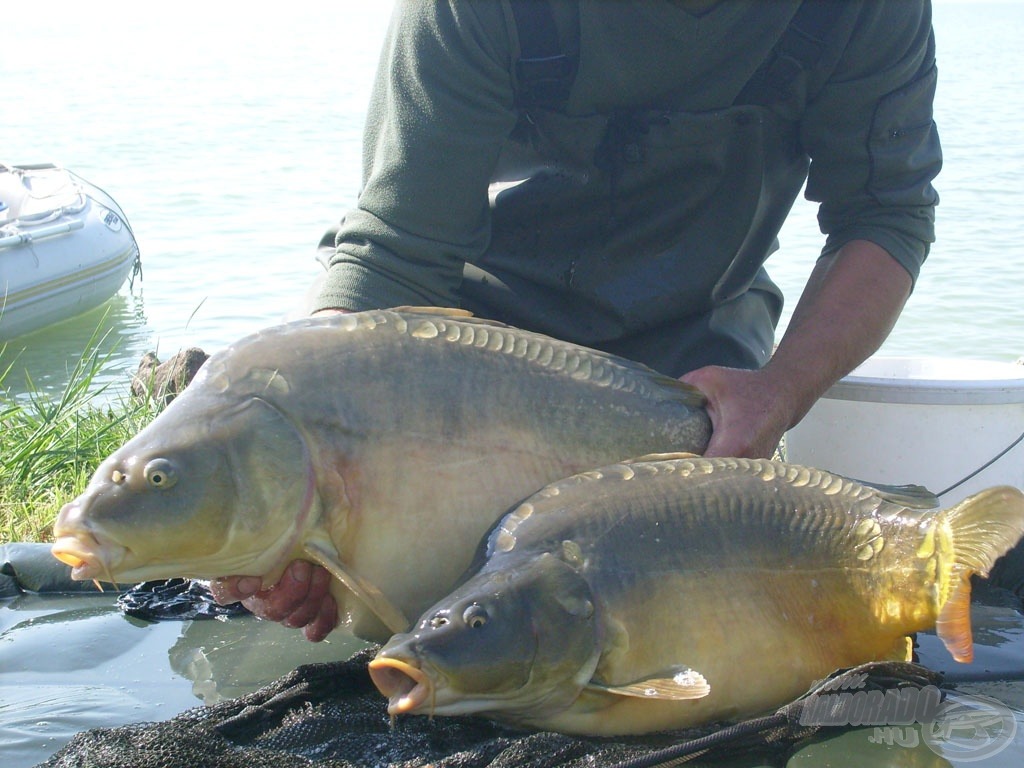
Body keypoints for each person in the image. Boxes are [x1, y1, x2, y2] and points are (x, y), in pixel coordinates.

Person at [210, 0, 941, 640]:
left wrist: (781, 390)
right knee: (406, 620)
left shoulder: (864, 9)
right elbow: (398, 254)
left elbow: (885, 214)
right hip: (473, 376)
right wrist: (299, 461)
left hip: (703, 386)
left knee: (680, 646)